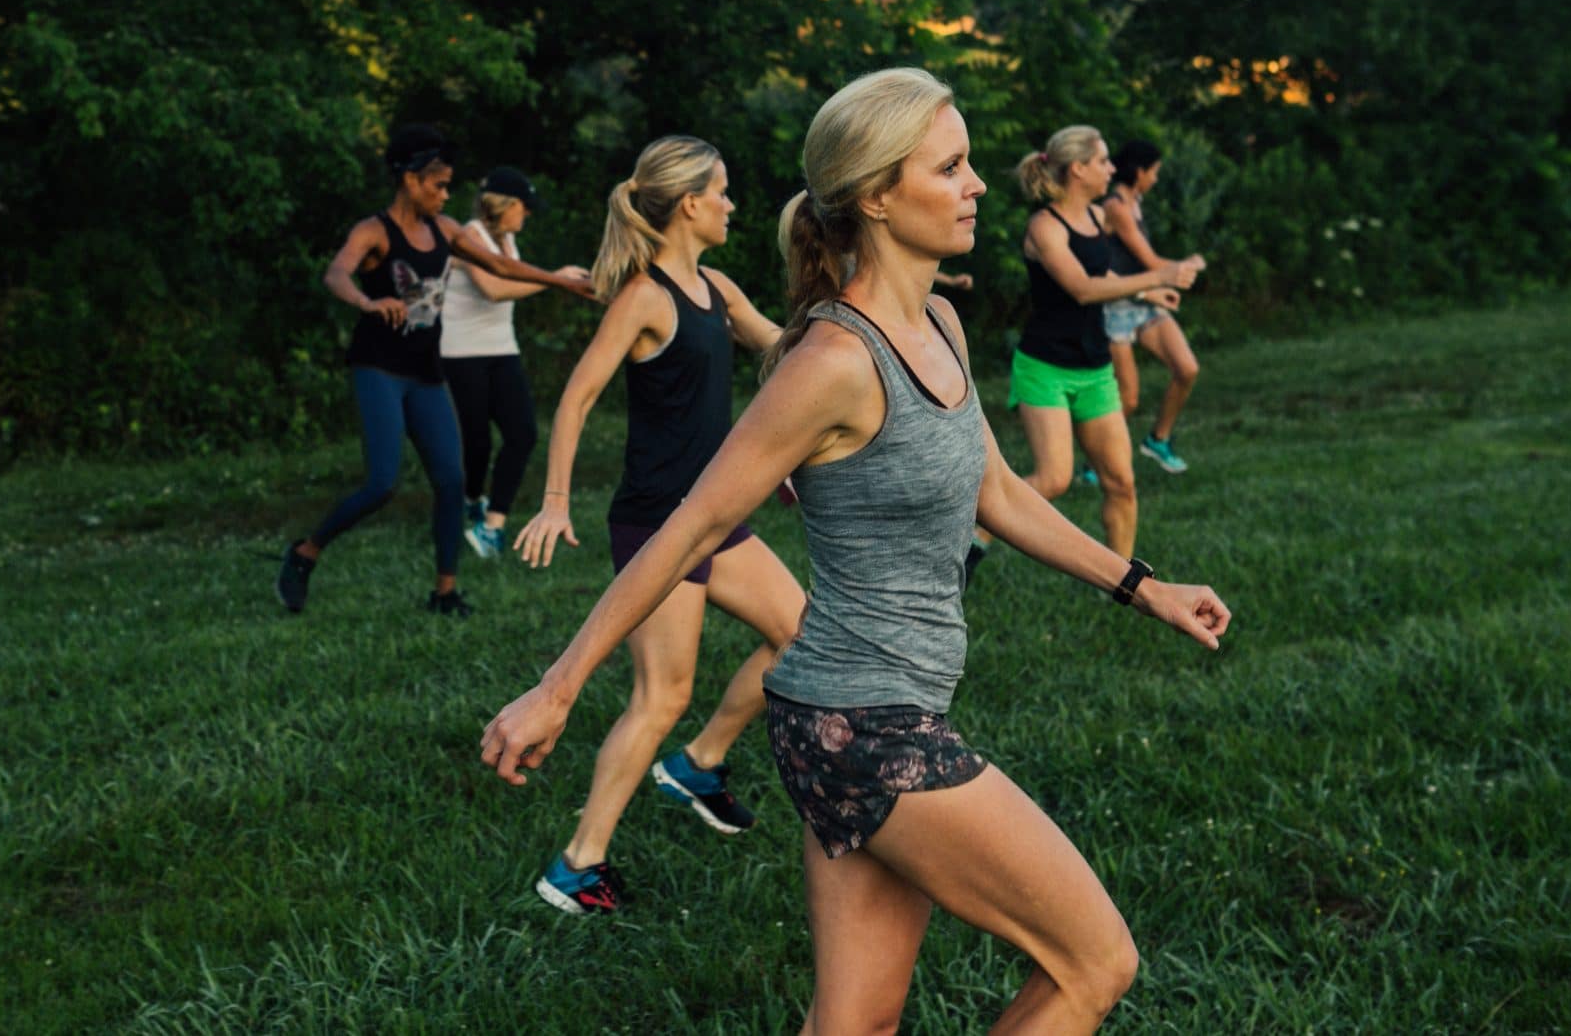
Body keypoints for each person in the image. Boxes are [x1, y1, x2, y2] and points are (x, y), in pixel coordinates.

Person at [481, 68, 1232, 1032]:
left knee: (856, 1024)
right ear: (877, 194)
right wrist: (559, 683)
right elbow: (692, 527)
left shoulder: (942, 322)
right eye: (951, 167)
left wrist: (1145, 585)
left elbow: (997, 492)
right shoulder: (833, 362)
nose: (976, 186)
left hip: (853, 715)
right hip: (864, 729)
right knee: (1095, 962)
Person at [510, 134, 806, 915]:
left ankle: (701, 764)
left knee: (806, 636)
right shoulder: (645, 297)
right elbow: (576, 398)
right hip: (658, 528)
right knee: (660, 695)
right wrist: (555, 501)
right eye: (724, 190)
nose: (733, 204)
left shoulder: (717, 288)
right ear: (689, 205)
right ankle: (577, 863)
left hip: (718, 521)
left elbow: (786, 350)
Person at [273, 125, 595, 618]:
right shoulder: (374, 231)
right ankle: (305, 552)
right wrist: (366, 299)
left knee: (450, 477)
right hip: (379, 368)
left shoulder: (445, 230)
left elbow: (499, 266)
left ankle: (445, 592)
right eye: (437, 185)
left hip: (426, 372)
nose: (446, 195)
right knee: (382, 482)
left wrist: (561, 282)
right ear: (408, 180)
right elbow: (336, 272)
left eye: (448, 185)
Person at [969, 125, 1204, 575]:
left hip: (1094, 367)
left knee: (1121, 483)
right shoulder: (1044, 226)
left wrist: (1147, 296)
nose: (1112, 169)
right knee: (1054, 478)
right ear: (1078, 169)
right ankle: (976, 534)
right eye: (1103, 161)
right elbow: (1080, 287)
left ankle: (1124, 583)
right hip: (1045, 366)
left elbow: (1105, 281)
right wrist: (1159, 278)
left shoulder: (1098, 218)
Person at [440, 166, 589, 561]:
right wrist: (555, 279)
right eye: (524, 207)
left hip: (502, 350)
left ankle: (492, 527)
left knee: (522, 433)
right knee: (476, 442)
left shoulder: (507, 239)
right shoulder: (469, 236)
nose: (528, 214)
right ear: (502, 206)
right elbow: (494, 289)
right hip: (461, 352)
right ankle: (472, 498)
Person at [1101, 141, 1202, 474]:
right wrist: (1185, 267)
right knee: (1127, 399)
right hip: (1118, 306)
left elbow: (1149, 267)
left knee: (1186, 368)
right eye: (1154, 172)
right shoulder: (1116, 206)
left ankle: (1158, 439)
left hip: (1146, 299)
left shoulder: (1136, 201)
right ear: (1139, 171)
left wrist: (1162, 285)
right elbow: (1151, 261)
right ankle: (1096, 460)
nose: (1156, 179)